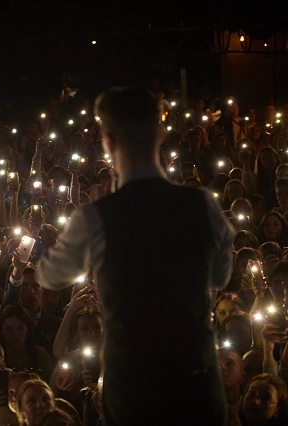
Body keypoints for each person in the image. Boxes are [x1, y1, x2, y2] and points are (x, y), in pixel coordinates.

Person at [36, 87, 236, 425]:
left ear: (107, 140)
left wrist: (92, 218)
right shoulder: (204, 205)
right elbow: (220, 277)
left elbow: (49, 275)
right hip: (196, 381)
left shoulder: (96, 217)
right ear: (160, 133)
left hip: (132, 387)